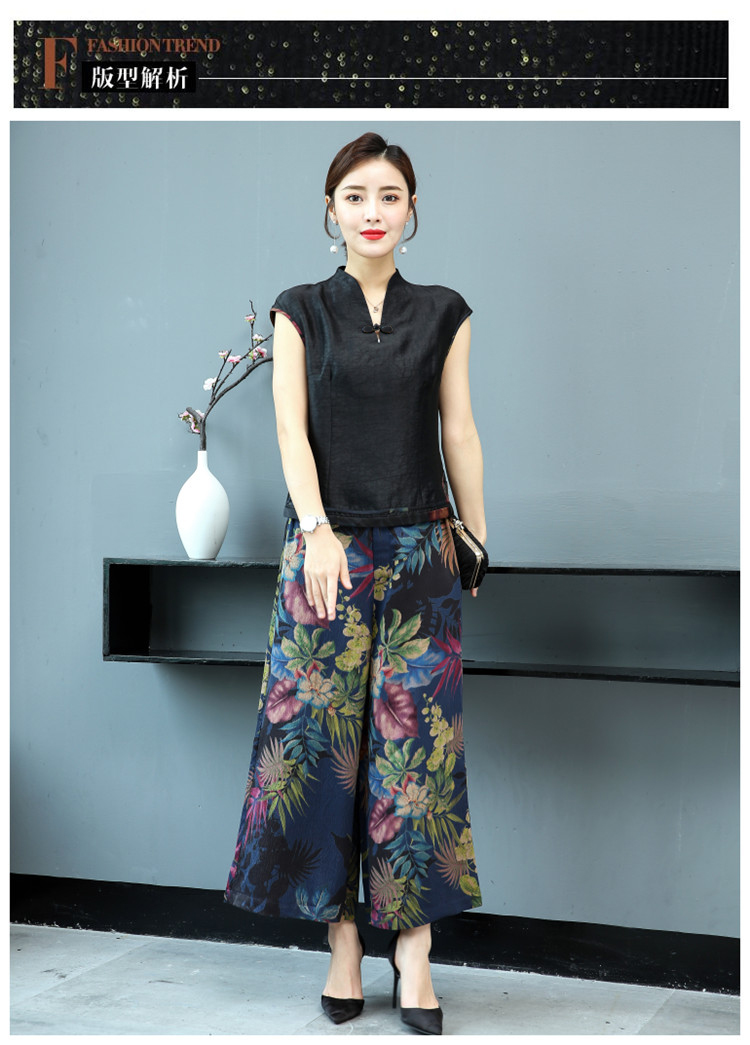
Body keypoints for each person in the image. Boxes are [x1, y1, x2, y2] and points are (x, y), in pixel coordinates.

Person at [225, 131, 485, 1035]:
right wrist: (317, 531)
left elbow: (460, 430)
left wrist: (475, 538)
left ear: (413, 211)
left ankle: (414, 950)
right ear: (331, 211)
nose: (373, 212)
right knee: (320, 749)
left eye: (389, 196)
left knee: (418, 760)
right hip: (323, 554)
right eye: (355, 196)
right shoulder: (300, 310)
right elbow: (290, 432)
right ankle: (342, 943)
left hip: (421, 551)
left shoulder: (445, 312)